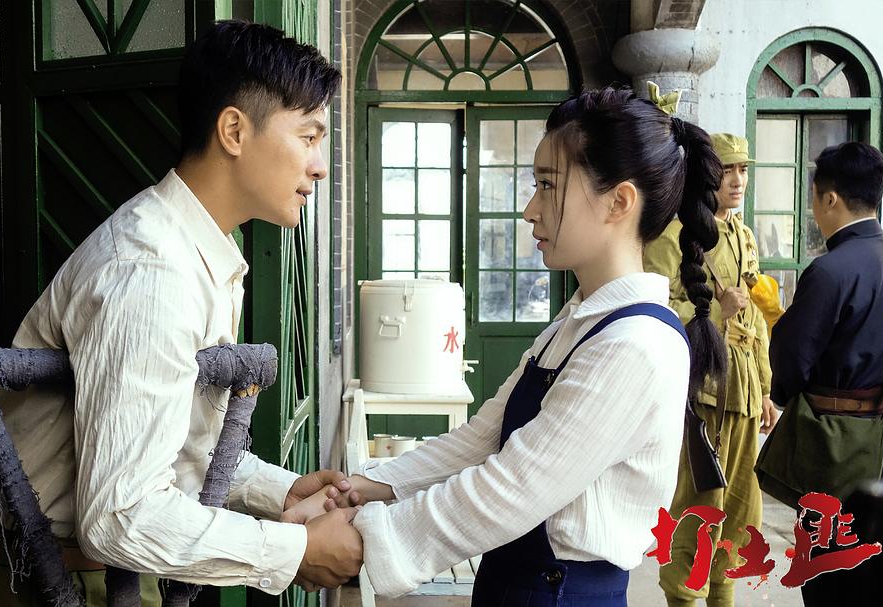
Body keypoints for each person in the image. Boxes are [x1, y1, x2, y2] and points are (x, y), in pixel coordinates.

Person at [0, 21, 361, 606]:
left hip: (105, 576)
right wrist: (292, 550)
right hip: (50, 584)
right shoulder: (152, 272)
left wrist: (280, 492)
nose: (319, 165)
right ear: (234, 131)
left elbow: (172, 448)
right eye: (309, 136)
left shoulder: (198, 252)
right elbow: (122, 514)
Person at [292, 86, 728, 605]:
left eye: (547, 186)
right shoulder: (580, 321)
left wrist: (365, 538)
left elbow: (513, 487)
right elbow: (483, 439)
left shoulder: (636, 345)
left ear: (619, 201)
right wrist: (364, 487)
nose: (529, 210)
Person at [643, 132, 777, 607]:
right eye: (727, 170)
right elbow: (653, 311)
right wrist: (716, 312)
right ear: (705, 175)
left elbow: (755, 321)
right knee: (699, 509)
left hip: (743, 390)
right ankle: (683, 597)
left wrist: (765, 388)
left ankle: (722, 596)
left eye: (743, 169)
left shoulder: (743, 235)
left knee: (741, 513)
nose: (737, 180)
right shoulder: (673, 236)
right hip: (702, 389)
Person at [767, 141, 883, 606]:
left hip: (833, 447)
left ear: (830, 198)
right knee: (877, 574)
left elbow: (792, 361)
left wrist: (783, 393)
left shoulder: (830, 270)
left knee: (827, 575)